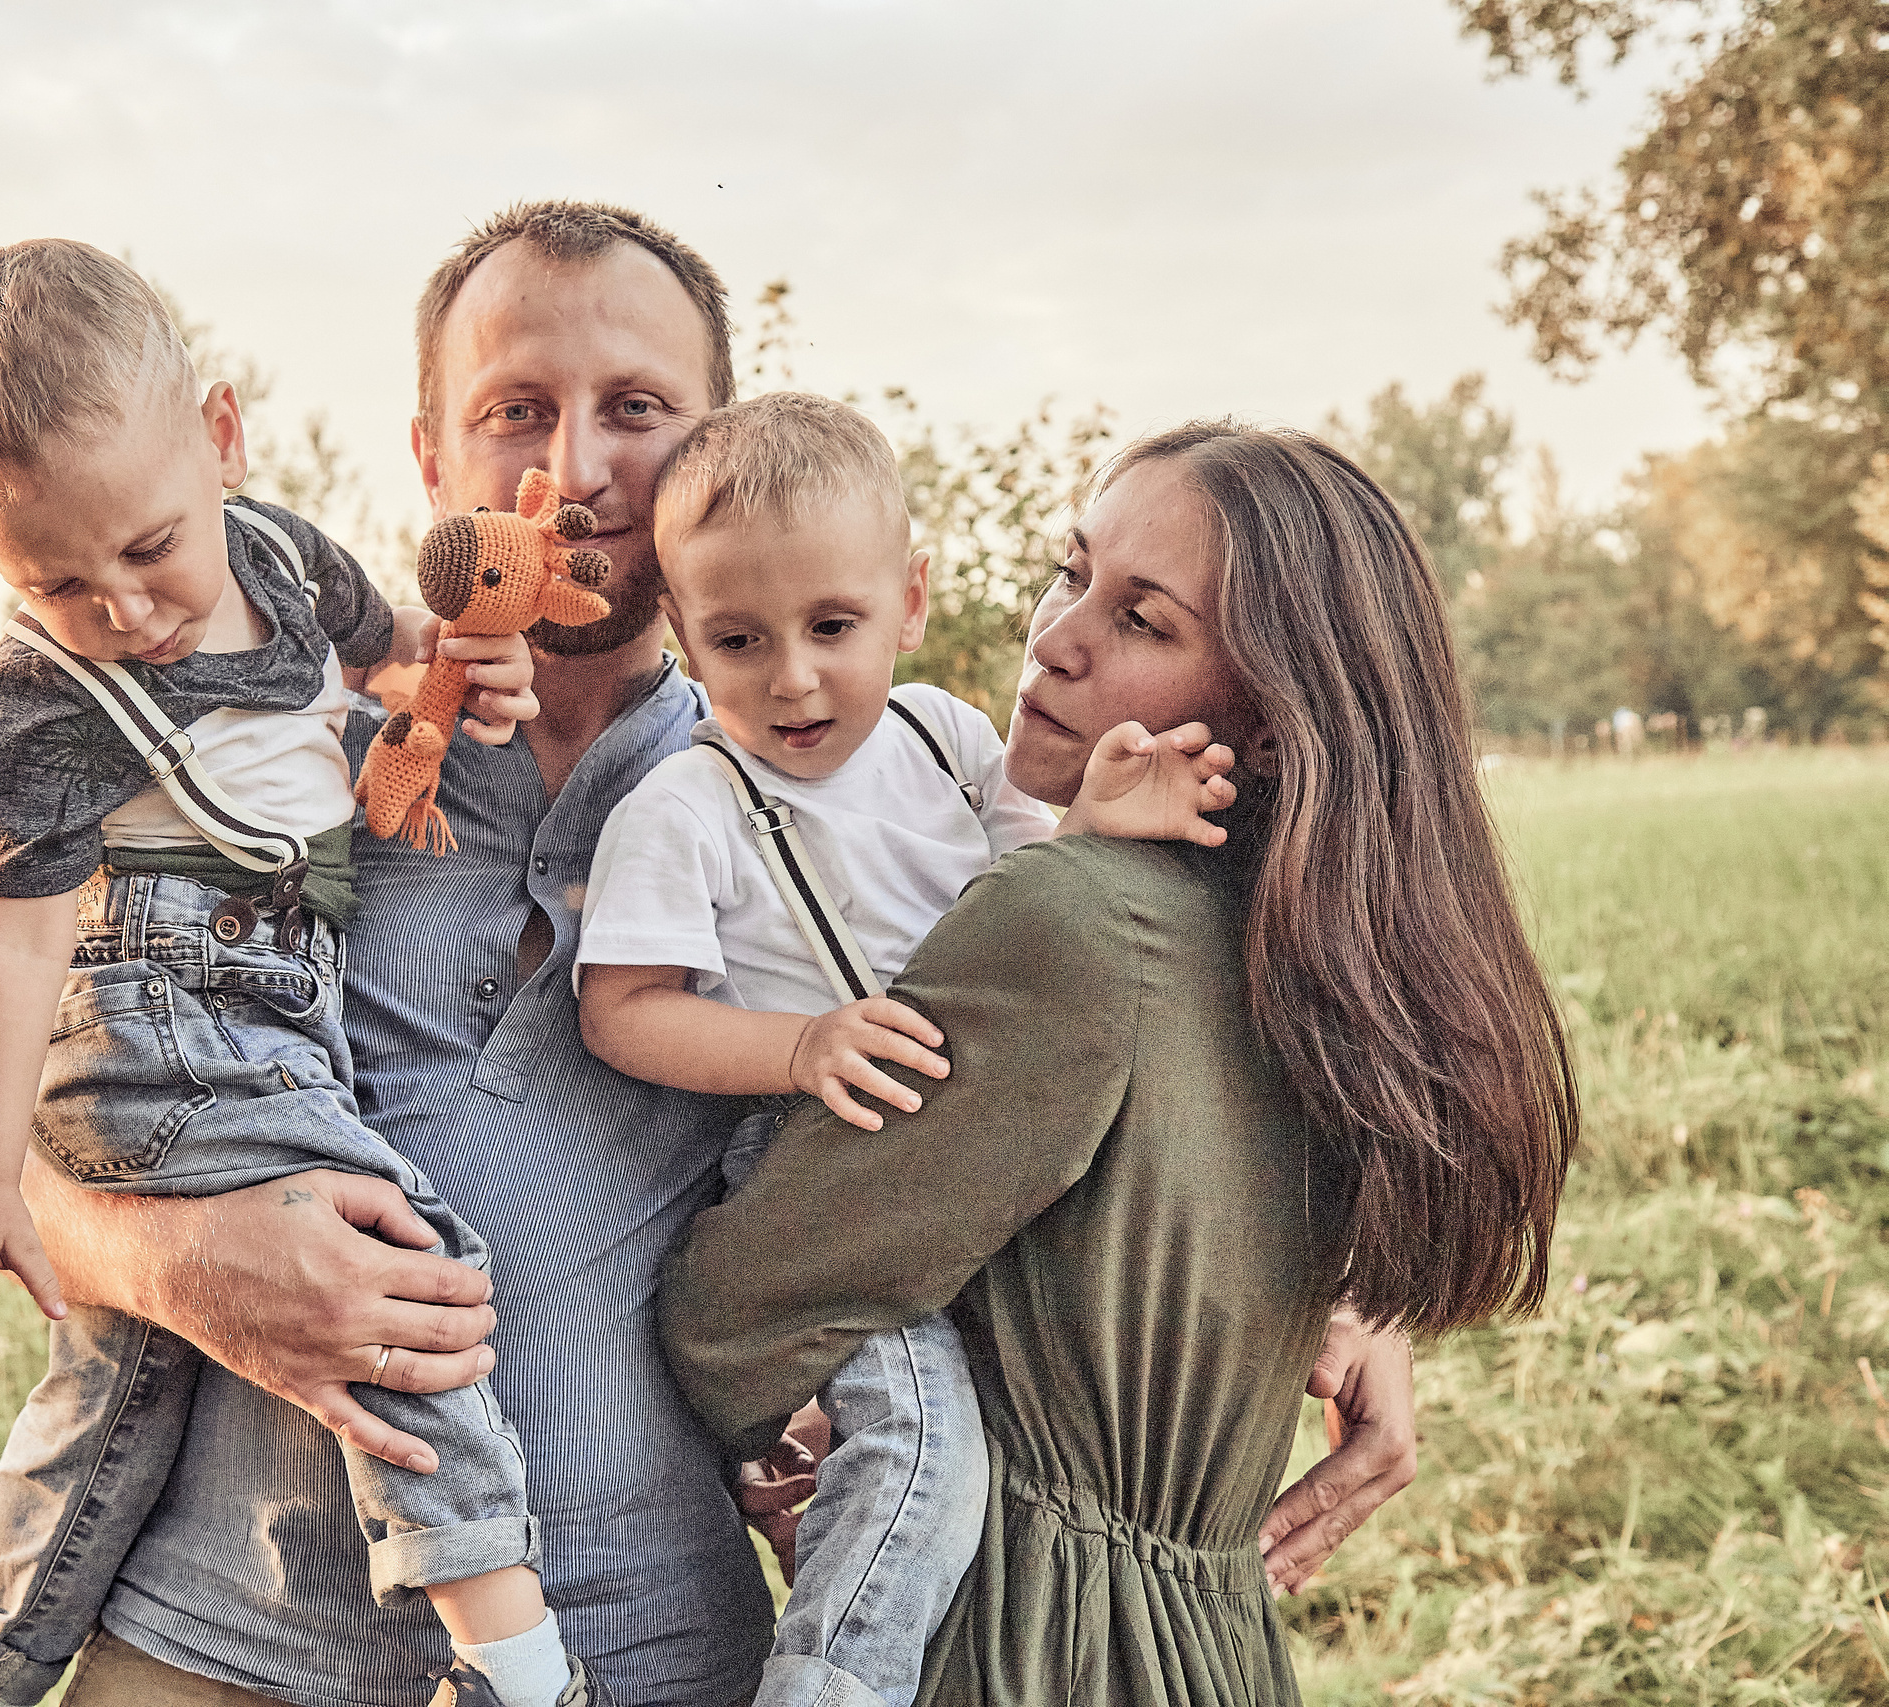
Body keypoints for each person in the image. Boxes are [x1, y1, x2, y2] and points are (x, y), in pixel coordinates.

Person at [0, 204, 1425, 1707]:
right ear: (431, 455)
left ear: (717, 442)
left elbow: (1050, 1083)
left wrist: (1324, 1291)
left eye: (638, 409)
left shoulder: (829, 784)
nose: (573, 469)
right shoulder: (288, 755)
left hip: (638, 1649)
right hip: (220, 1638)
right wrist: (187, 1261)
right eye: (516, 409)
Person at [659, 423, 1579, 1706]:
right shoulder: (1316, 951)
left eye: (1141, 620)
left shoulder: (1075, 916)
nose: (1055, 638)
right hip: (1214, 1651)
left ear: (1267, 724)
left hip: (1021, 1645)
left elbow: (731, 1315)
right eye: (1068, 571)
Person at [0, 239, 588, 1707]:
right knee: (405, 1268)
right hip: (161, 1005)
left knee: (119, 1382)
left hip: (274, 990)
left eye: (148, 548)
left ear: (220, 436)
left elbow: (395, 653)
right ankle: (522, 1670)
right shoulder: (46, 697)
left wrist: (454, 665)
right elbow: (17, 937)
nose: (129, 609)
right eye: (58, 578)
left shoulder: (275, 553)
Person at [577, 393, 1235, 1707]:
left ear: (911, 598)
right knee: (922, 1446)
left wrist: (1097, 829)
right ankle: (832, 1680)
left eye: (833, 626)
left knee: (1001, 1430)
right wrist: (798, 1044)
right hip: (812, 1159)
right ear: (684, 640)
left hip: (968, 1139)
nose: (793, 677)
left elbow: (1030, 914)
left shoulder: (946, 735)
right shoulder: (689, 803)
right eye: (737, 639)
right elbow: (624, 1008)